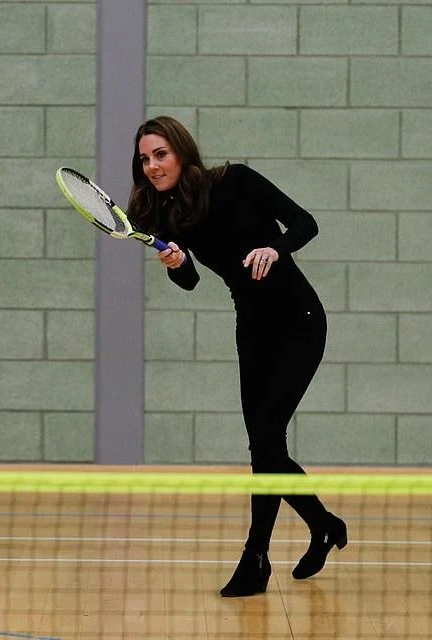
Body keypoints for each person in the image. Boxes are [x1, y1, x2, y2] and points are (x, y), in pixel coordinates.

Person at [127, 116, 347, 597]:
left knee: (267, 438)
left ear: (181, 151)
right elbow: (190, 281)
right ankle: (324, 524)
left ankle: (256, 557)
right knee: (264, 446)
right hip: (252, 328)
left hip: (300, 320)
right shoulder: (163, 215)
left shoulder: (235, 180)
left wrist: (275, 246)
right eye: (144, 159)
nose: (152, 166)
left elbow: (306, 223)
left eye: (159, 154)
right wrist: (177, 265)